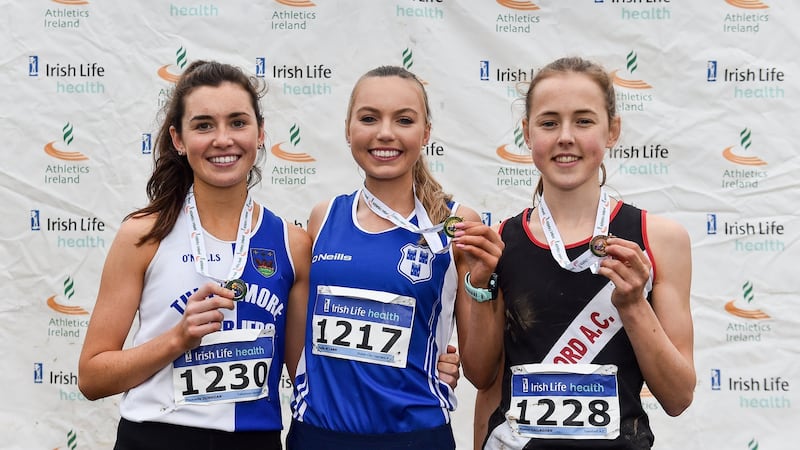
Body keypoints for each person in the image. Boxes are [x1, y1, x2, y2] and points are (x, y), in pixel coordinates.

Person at [462, 56, 696, 449]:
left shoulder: (657, 239)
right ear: (527, 133)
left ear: (612, 131)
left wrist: (633, 304)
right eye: (549, 122)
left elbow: (678, 397)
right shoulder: (501, 240)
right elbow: (482, 377)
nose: (565, 137)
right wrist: (480, 286)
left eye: (584, 121)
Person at [77, 60, 311, 450]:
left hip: (254, 440)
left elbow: (310, 378)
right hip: (155, 438)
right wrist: (177, 340)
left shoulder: (292, 244)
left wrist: (425, 368)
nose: (223, 139)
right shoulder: (143, 235)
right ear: (179, 139)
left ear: (261, 133)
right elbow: (92, 377)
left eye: (238, 122)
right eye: (204, 125)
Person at [286, 65, 502, 449]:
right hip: (318, 435)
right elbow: (303, 346)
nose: (385, 133)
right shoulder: (323, 218)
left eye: (403, 120)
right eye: (369, 118)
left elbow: (481, 370)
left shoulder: (453, 225)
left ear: (426, 133)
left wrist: (482, 284)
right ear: (348, 129)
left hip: (415, 437)